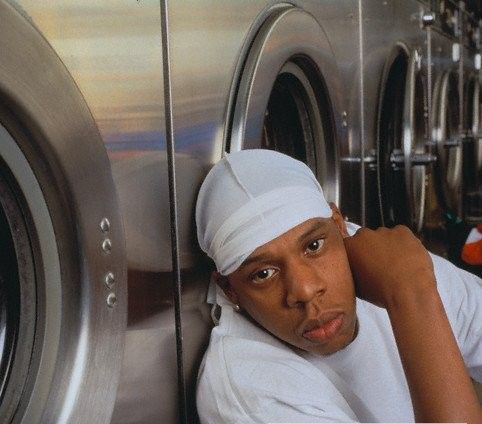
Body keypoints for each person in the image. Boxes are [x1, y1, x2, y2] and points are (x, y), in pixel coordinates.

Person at [195, 149, 482, 423]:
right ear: (229, 289)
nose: (305, 291)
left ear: (340, 225)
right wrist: (410, 295)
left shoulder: (381, 261)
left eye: (313, 246)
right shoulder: (250, 396)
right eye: (263, 274)